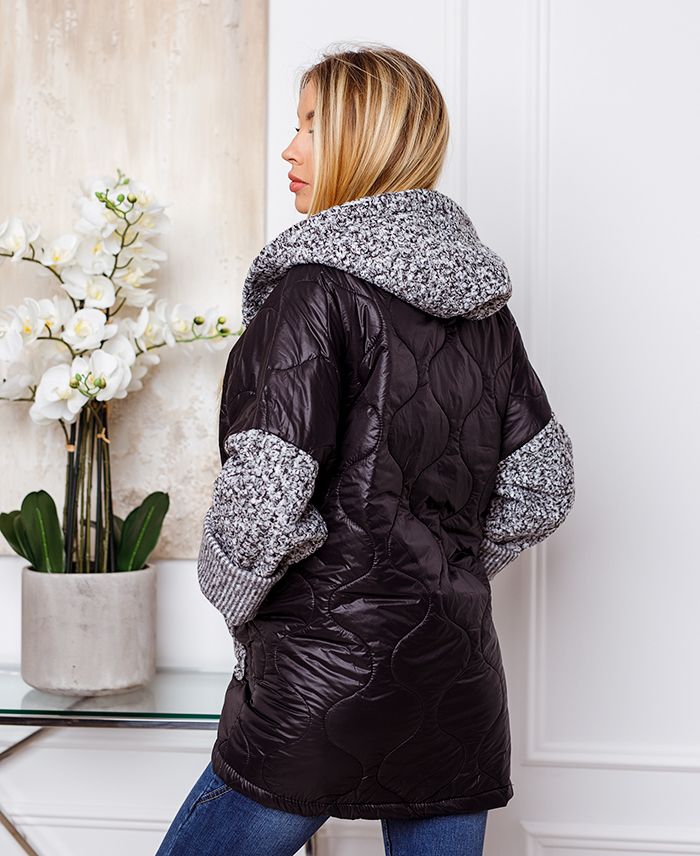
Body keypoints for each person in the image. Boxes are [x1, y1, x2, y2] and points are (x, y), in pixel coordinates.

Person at [156, 42, 575, 856]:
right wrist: (442, 567)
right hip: (456, 680)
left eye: (311, 125)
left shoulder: (311, 290)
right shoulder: (485, 311)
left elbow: (263, 504)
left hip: (318, 684)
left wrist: (237, 598)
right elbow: (543, 485)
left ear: (363, 139)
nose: (289, 148)